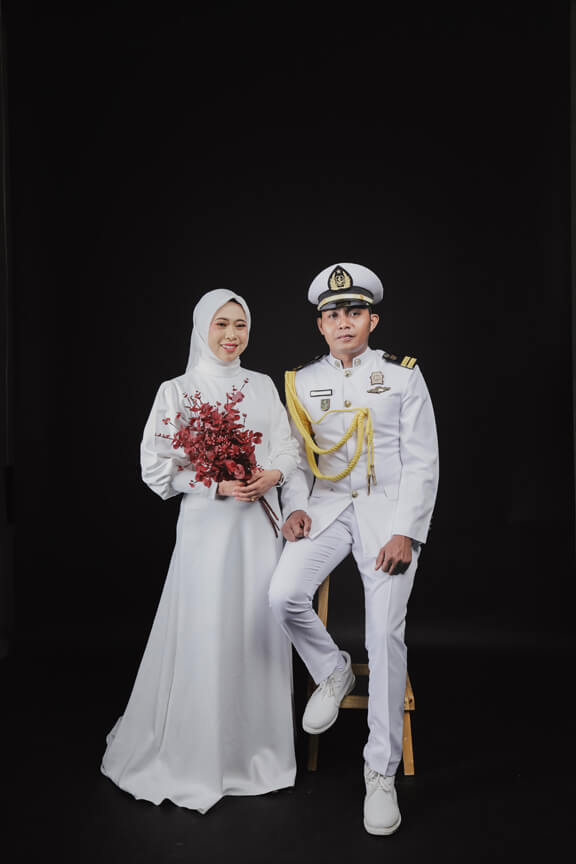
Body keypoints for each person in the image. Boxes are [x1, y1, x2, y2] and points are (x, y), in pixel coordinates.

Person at [101, 288, 299, 813]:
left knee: (256, 627)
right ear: (201, 328)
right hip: (208, 529)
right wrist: (216, 485)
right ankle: (199, 755)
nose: (232, 335)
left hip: (258, 529)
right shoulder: (177, 391)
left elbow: (287, 445)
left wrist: (272, 475)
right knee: (206, 626)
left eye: (241, 324)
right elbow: (156, 468)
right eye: (221, 324)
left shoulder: (262, 386)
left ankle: (258, 753)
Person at [269, 263, 439, 835]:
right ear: (321, 326)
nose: (344, 322)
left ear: (373, 320)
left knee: (383, 634)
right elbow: (297, 458)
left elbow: (423, 461)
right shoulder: (300, 381)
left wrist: (406, 531)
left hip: (387, 512)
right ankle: (333, 669)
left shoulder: (402, 376)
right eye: (334, 315)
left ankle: (380, 772)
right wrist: (294, 506)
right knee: (283, 595)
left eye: (355, 312)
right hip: (326, 507)